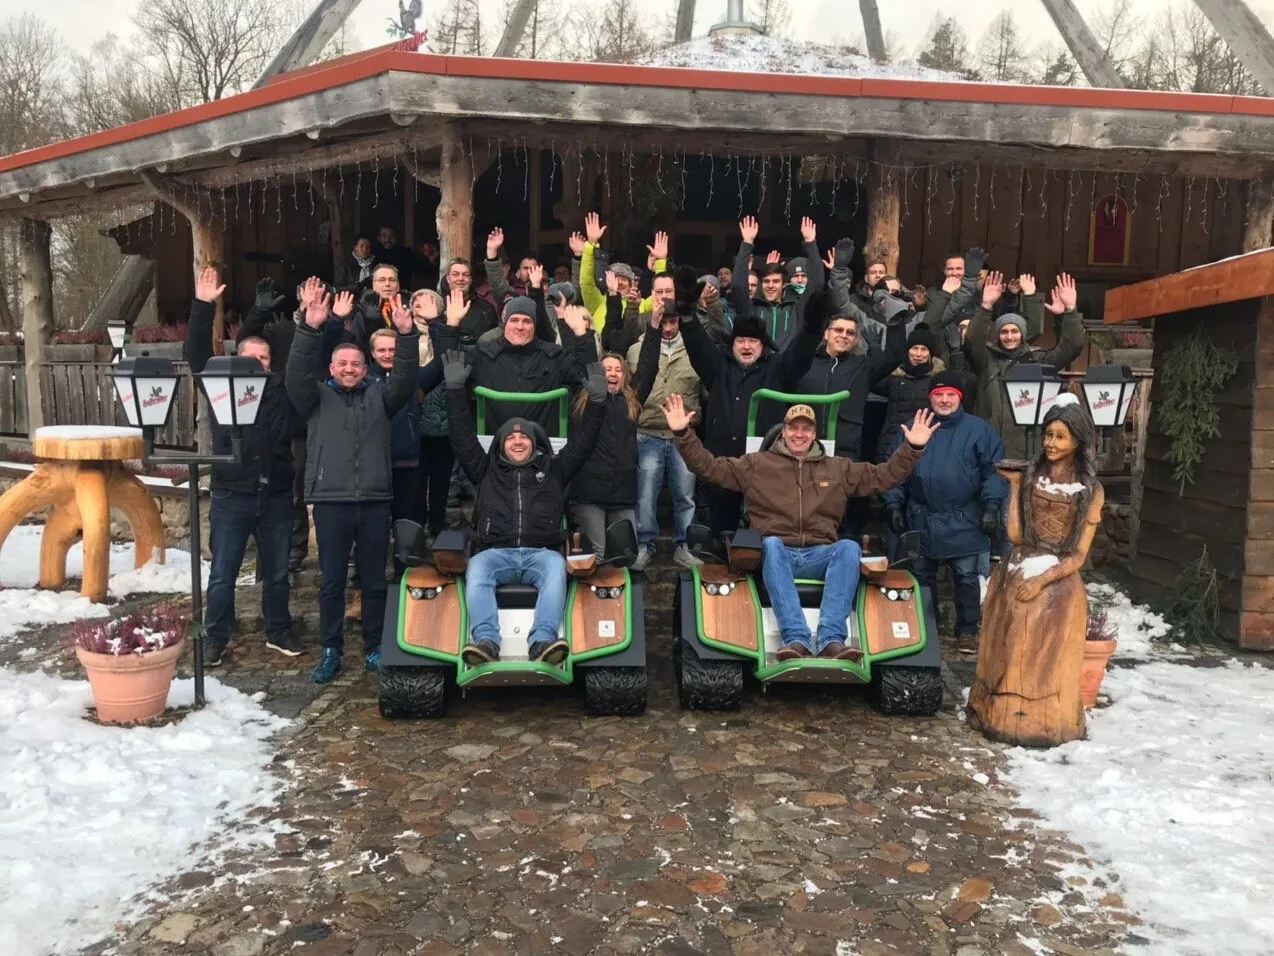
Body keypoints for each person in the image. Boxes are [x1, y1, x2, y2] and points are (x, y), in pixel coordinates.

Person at [663, 395, 936, 659]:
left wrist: (912, 449)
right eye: (793, 428)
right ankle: (796, 638)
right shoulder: (757, 465)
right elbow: (710, 468)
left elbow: (883, 477)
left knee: (848, 548)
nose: (799, 434)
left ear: (814, 434)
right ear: (783, 431)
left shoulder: (839, 468)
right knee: (770, 544)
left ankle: (832, 640)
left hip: (820, 553)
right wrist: (683, 434)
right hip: (775, 553)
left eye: (806, 429)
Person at [286, 287, 420, 684]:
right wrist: (310, 329)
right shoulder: (314, 399)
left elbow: (407, 377)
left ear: (366, 369)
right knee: (331, 581)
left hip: (376, 500)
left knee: (375, 579)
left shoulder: (382, 396)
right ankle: (331, 649)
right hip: (331, 502)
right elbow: (295, 372)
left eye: (356, 364)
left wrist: (407, 336)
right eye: (342, 363)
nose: (349, 369)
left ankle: (376, 645)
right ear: (331, 368)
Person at [443, 351, 608, 665]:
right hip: (495, 553)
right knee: (476, 570)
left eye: (524, 437)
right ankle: (487, 642)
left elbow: (585, 442)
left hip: (540, 552)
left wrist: (597, 403)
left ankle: (543, 641)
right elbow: (462, 438)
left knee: (556, 569)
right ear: (501, 444)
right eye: (511, 438)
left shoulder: (555, 470)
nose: (518, 441)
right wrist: (454, 392)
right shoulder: (484, 471)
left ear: (536, 444)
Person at [968, 396, 1105, 745]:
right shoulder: (1032, 477)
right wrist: (1014, 488)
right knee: (1004, 641)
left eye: (1060, 436)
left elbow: (1077, 556)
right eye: (1048, 435)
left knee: (1039, 651)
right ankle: (993, 709)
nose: (1051, 443)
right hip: (1016, 568)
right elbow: (1016, 536)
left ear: (1077, 440)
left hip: (1056, 579)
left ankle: (1038, 720)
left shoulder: (1090, 490)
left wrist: (1043, 579)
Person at [185, 268, 300, 666]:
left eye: (265, 357)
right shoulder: (221, 390)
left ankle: (279, 630)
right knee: (223, 574)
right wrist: (203, 306)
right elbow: (196, 355)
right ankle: (217, 635)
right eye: (252, 357)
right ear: (239, 360)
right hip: (232, 494)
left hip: (276, 496)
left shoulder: (285, 390)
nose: (260, 363)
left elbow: (307, 360)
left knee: (279, 573)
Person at [683, 269, 825, 537]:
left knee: (762, 531)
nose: (746, 346)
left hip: (765, 466)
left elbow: (800, 354)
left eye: (752, 341)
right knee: (721, 531)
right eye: (741, 341)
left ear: (763, 346)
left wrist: (811, 329)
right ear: (733, 343)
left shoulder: (777, 367)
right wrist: (687, 314)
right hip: (722, 464)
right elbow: (697, 344)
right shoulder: (718, 366)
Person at [883, 371, 1006, 655]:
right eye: (939, 395)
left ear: (960, 397)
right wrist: (892, 503)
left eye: (951, 394)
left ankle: (967, 631)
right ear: (930, 398)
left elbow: (994, 471)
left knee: (966, 576)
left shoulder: (979, 430)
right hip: (922, 516)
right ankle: (928, 628)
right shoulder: (913, 426)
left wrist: (991, 505)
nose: (945, 400)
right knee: (923, 577)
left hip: (965, 518)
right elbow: (894, 468)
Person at [438, 284, 597, 439]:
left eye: (527, 321)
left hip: (543, 448)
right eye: (514, 320)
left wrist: (581, 336)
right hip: (493, 447)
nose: (520, 326)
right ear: (504, 322)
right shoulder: (482, 354)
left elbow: (587, 378)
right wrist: (451, 326)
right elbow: (451, 370)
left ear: (534, 325)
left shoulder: (554, 355)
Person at [966, 272, 1086, 461]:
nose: (1009, 336)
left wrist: (1070, 310)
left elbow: (1072, 347)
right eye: (1004, 332)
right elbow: (973, 340)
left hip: (1029, 452)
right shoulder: (986, 361)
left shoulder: (1038, 361)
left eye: (1015, 331)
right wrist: (986, 306)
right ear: (997, 335)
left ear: (1022, 334)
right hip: (988, 451)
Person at [626, 290, 704, 571]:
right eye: (665, 321)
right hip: (647, 432)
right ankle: (645, 544)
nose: (669, 327)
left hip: (684, 436)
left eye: (673, 322)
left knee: (685, 493)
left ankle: (684, 545)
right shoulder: (637, 350)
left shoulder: (695, 351)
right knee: (645, 494)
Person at [567, 336, 658, 555]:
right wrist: (582, 336)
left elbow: (648, 369)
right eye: (607, 369)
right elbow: (586, 365)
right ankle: (585, 591)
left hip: (622, 492)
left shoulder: (631, 403)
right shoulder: (585, 400)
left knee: (628, 553)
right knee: (597, 553)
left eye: (618, 370)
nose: (613, 374)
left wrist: (654, 326)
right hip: (589, 492)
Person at [366, 326, 443, 574]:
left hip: (408, 464)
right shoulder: (361, 380)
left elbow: (443, 363)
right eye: (382, 350)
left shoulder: (415, 378)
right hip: (373, 466)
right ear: (372, 353)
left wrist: (439, 326)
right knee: (371, 530)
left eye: (393, 349)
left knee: (408, 526)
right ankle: (366, 580)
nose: (388, 354)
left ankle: (405, 577)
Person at [730, 215, 825, 349]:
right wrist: (747, 243)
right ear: (761, 284)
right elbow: (738, 285)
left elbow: (817, 284)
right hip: (761, 366)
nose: (770, 285)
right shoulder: (751, 309)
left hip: (788, 366)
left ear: (784, 284)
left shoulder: (796, 309)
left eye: (775, 281)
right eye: (766, 281)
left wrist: (810, 243)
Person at [409, 289, 454, 539]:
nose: (423, 310)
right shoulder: (401, 336)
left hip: (443, 421)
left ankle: (438, 526)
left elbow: (447, 363)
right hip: (413, 422)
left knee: (441, 482)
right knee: (415, 484)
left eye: (430, 305)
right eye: (418, 305)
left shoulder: (447, 334)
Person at [872, 325, 945, 461]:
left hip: (927, 445)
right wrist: (875, 350)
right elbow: (872, 379)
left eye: (924, 349)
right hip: (891, 444)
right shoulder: (894, 378)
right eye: (914, 348)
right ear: (907, 351)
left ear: (930, 354)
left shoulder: (938, 380)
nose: (918, 354)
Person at [438, 258, 501, 344]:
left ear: (471, 279)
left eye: (465, 275)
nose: (460, 278)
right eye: (455, 274)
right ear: (448, 279)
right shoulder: (438, 306)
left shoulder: (486, 309)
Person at [375, 225, 414, 289]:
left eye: (391, 236)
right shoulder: (373, 255)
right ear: (378, 238)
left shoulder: (406, 253)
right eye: (384, 236)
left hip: (402, 293)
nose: (388, 239)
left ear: (396, 237)